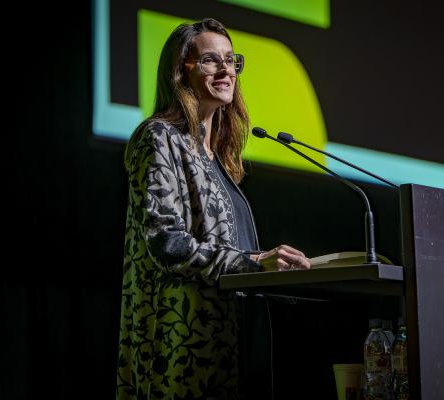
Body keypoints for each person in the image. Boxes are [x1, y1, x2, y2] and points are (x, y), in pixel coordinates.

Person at [116, 18, 311, 400]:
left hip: (231, 343)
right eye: (210, 60)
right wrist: (253, 262)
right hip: (183, 350)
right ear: (180, 71)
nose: (226, 70)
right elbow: (166, 244)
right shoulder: (159, 138)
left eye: (231, 60)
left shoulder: (217, 156)